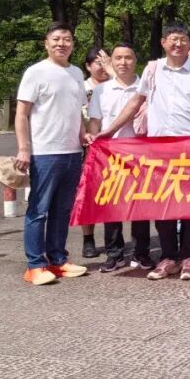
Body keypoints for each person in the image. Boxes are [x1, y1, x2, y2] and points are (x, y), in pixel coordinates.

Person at [94, 22, 190, 282]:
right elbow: (136, 102)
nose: (178, 44)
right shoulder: (153, 69)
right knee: (163, 202)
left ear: (189, 43)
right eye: (173, 39)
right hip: (159, 149)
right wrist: (110, 130)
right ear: (163, 42)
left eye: (183, 39)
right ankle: (168, 257)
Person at [15, 22, 89, 286]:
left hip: (72, 152)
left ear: (73, 44)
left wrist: (83, 135)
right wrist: (24, 149)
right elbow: (21, 114)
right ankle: (35, 265)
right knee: (39, 210)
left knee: (62, 209)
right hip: (44, 153)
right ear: (46, 43)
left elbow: (77, 111)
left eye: (67, 39)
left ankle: (58, 259)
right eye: (56, 39)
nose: (62, 44)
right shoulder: (35, 72)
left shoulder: (76, 73)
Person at [87, 43, 152, 273]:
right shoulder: (102, 90)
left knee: (141, 205)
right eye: (118, 58)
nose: (123, 62)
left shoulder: (147, 88)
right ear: (111, 62)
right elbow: (95, 120)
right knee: (111, 204)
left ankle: (142, 252)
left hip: (141, 153)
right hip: (110, 153)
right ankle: (114, 254)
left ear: (136, 61)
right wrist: (93, 139)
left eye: (128, 57)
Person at [80, 46, 111, 259]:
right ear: (88, 66)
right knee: (87, 194)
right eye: (98, 63)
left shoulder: (116, 84)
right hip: (86, 146)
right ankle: (88, 238)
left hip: (112, 147)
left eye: (106, 61)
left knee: (111, 194)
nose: (103, 67)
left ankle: (113, 240)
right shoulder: (81, 87)